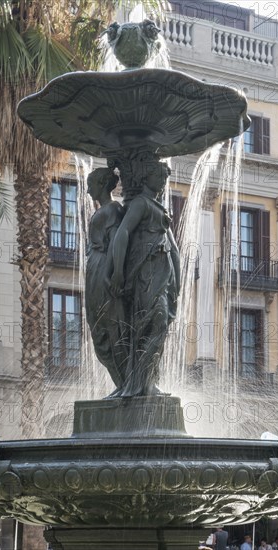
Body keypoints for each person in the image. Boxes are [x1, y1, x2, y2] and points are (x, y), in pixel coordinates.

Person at [111, 161, 180, 397]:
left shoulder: (159, 208)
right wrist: (118, 270)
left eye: (164, 178)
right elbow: (123, 232)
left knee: (158, 326)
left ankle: (146, 380)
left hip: (163, 274)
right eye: (158, 176)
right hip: (146, 274)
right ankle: (141, 383)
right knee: (152, 324)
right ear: (147, 177)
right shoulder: (140, 203)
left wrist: (177, 281)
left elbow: (174, 249)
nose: (162, 182)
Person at [85, 167, 127, 395]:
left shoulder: (114, 210)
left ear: (102, 184)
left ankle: (125, 384)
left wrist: (114, 273)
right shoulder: (105, 210)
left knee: (111, 328)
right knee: (97, 327)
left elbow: (116, 244)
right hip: (94, 271)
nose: (89, 188)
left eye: (91, 183)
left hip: (103, 271)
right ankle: (121, 384)